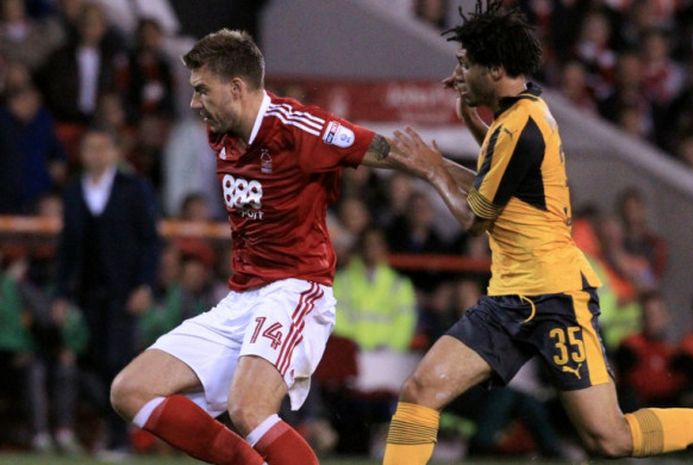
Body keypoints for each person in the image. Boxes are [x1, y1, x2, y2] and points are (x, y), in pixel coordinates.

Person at [109, 28, 471, 465]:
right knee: (130, 390)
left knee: (249, 408)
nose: (194, 103)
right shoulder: (223, 132)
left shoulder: (301, 128)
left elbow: (393, 153)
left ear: (237, 88)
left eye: (202, 90)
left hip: (296, 291)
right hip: (240, 299)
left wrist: (478, 184)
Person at [381, 2, 693, 464]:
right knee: (421, 390)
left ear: (494, 69)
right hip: (509, 299)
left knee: (609, 439)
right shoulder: (518, 115)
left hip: (555, 299)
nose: (459, 72)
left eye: (466, 65)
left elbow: (474, 219)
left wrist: (432, 173)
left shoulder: (521, 128)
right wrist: (463, 117)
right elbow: (494, 174)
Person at [53, 126, 160, 456]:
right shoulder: (72, 192)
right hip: (86, 292)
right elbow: (67, 248)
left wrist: (145, 285)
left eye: (102, 148)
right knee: (91, 363)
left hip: (123, 293)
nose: (95, 155)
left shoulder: (135, 188)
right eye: (89, 148)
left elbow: (149, 242)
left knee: (117, 361)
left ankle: (118, 440)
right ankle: (116, 426)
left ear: (115, 152)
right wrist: (61, 293)